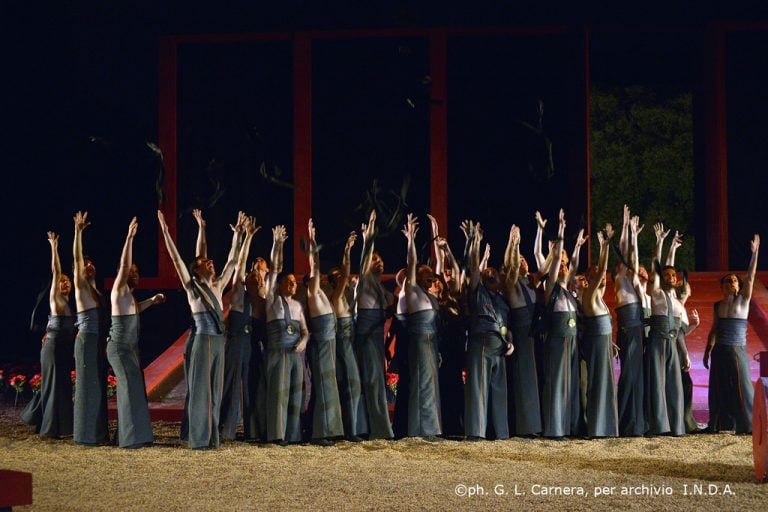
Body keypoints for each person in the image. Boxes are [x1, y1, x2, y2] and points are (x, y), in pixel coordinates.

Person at [158, 209, 241, 449]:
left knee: (215, 389)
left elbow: (233, 261)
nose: (211, 262)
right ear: (197, 270)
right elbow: (177, 260)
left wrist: (236, 235)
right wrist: (165, 230)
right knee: (202, 390)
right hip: (203, 341)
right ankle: (198, 437)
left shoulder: (218, 284)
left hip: (217, 343)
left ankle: (211, 435)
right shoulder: (192, 289)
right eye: (206, 262)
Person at [108, 217, 165, 448]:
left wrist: (152, 300)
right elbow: (123, 265)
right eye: (131, 270)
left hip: (130, 349)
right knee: (129, 389)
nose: (133, 273)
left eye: (136, 271)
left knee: (134, 389)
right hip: (119, 348)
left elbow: (136, 310)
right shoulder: (119, 289)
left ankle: (130, 434)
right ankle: (129, 439)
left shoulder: (129, 297)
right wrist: (130, 238)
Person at [21, 231, 75, 438]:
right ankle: (49, 427)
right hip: (52, 348)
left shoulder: (71, 304)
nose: (65, 283)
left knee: (59, 385)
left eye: (67, 280)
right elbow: (56, 270)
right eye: (61, 281)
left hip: (61, 349)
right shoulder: (56, 300)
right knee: (53, 385)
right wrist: (54, 247)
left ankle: (52, 423)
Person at [705, 234, 760, 434]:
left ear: (739, 286)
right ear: (722, 286)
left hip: (737, 349)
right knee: (719, 388)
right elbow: (714, 329)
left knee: (741, 386)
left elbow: (751, 277)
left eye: (735, 281)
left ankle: (748, 425)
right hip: (719, 349)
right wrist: (707, 350)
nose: (732, 283)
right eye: (728, 281)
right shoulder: (718, 305)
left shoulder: (743, 301)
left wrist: (755, 254)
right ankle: (718, 425)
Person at [464, 220, 514, 440]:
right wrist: (475, 242)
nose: (491, 276)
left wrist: (509, 341)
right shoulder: (478, 293)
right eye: (488, 275)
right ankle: (477, 433)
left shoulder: (502, 300)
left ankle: (501, 433)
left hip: (500, 347)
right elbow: (474, 268)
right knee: (479, 389)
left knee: (499, 391)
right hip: (482, 343)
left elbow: (505, 323)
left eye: (494, 275)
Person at [541, 210, 586, 438]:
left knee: (571, 382)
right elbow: (558, 258)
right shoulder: (551, 287)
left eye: (566, 268)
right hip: (557, 337)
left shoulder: (569, 291)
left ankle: (571, 425)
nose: (564, 268)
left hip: (572, 337)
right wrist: (560, 229)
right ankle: (555, 427)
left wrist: (577, 246)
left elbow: (573, 264)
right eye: (561, 267)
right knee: (557, 380)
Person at [263, 225, 309, 444]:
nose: (293, 285)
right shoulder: (273, 300)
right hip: (278, 353)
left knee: (296, 395)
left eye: (295, 282)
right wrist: (278, 244)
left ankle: (293, 434)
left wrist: (303, 341)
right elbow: (274, 269)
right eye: (289, 282)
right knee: (279, 395)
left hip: (295, 354)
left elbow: (306, 331)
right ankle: (277, 434)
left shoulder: (298, 305)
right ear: (280, 285)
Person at [355, 210, 395, 440]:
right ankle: (377, 428)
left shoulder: (380, 287)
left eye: (380, 260)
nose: (378, 262)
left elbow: (391, 304)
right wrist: (369, 232)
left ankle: (372, 426)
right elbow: (365, 256)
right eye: (375, 260)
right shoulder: (365, 279)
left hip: (377, 334)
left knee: (375, 377)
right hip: (368, 334)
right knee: (370, 378)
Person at [402, 214, 442, 438]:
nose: (432, 278)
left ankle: (432, 428)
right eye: (426, 275)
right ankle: (419, 429)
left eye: (432, 277)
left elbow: (438, 264)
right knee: (422, 383)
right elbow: (411, 263)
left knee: (432, 384)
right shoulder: (413, 291)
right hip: (419, 342)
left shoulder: (430, 296)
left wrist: (435, 234)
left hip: (432, 342)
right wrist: (411, 241)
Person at [220, 217, 260, 440]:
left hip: (250, 345)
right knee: (233, 385)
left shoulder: (258, 299)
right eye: (252, 276)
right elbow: (240, 264)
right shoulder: (238, 293)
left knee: (250, 387)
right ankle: (226, 429)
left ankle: (252, 430)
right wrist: (247, 237)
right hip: (236, 343)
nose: (256, 279)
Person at [304, 219, 344, 445]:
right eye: (312, 279)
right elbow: (315, 267)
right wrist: (311, 239)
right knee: (323, 386)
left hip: (330, 347)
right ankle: (321, 432)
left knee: (327, 388)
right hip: (320, 348)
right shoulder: (313, 296)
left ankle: (319, 429)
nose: (317, 278)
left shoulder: (326, 299)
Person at [72, 211, 110, 445]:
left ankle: (98, 432)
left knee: (98, 385)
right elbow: (76, 261)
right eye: (86, 264)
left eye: (91, 263)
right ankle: (86, 434)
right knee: (87, 386)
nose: (89, 266)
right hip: (86, 340)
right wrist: (78, 232)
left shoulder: (97, 292)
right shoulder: (80, 287)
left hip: (97, 342)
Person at [645, 223, 685, 436]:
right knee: (657, 384)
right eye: (667, 275)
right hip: (657, 342)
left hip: (672, 344)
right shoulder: (658, 293)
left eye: (673, 276)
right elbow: (656, 266)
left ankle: (677, 426)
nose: (670, 277)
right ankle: (659, 426)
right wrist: (661, 242)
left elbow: (681, 331)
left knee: (674, 387)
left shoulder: (678, 302)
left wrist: (685, 354)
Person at [502, 224, 542, 437]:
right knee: (524, 379)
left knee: (535, 379)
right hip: (520, 334)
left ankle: (536, 424)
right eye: (520, 259)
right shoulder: (512, 284)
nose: (522, 261)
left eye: (525, 259)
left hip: (533, 334)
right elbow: (510, 265)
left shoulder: (530, 284)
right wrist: (514, 244)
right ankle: (525, 426)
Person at [580, 225, 618, 438]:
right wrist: (605, 246)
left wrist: (610, 342)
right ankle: (597, 427)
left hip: (603, 343)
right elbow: (603, 270)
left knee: (606, 382)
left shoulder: (600, 298)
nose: (601, 277)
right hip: (594, 345)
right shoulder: (589, 295)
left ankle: (606, 426)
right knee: (598, 382)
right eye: (595, 275)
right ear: (589, 278)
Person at [328, 231, 367, 441]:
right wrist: (347, 250)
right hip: (343, 344)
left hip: (350, 341)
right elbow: (345, 274)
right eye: (338, 278)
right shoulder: (334, 296)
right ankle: (350, 431)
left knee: (353, 386)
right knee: (351, 384)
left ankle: (352, 429)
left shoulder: (343, 297)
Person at [615, 207, 648, 436]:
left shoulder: (635, 283)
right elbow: (626, 255)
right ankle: (626, 420)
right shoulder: (620, 279)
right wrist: (627, 229)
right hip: (627, 329)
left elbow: (631, 259)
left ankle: (636, 422)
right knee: (629, 373)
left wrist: (631, 232)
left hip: (636, 328)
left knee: (635, 374)